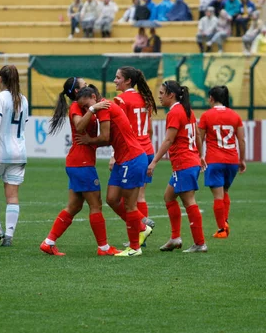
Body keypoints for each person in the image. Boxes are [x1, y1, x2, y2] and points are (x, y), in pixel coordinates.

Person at [40, 78, 121, 256]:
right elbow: (79, 126)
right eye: (83, 85)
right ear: (77, 92)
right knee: (96, 204)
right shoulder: (78, 106)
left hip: (78, 162)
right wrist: (92, 109)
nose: (88, 86)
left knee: (74, 206)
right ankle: (104, 248)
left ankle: (49, 242)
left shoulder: (84, 103)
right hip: (81, 162)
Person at [74, 88, 154, 257]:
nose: (87, 109)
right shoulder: (102, 108)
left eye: (87, 105)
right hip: (122, 159)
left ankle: (134, 248)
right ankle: (142, 227)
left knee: (129, 205)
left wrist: (89, 141)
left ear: (94, 97)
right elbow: (110, 137)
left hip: (132, 158)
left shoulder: (104, 107)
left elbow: (104, 137)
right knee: (112, 198)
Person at [147, 80, 206, 253]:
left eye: (162, 92)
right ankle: (175, 238)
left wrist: (154, 161)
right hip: (190, 161)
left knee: (189, 201)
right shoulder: (187, 111)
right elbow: (198, 135)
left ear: (170, 95)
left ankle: (200, 243)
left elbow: (168, 140)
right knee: (169, 197)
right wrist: (200, 155)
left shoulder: (175, 112)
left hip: (184, 163)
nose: (159, 96)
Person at [0, 65, 29, 248]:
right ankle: (9, 236)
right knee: (12, 196)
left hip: (0, 152)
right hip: (19, 153)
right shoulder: (23, 99)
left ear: (1, 79)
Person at [197, 85, 245, 239]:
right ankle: (224, 222)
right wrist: (242, 160)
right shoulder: (235, 116)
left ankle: (222, 229)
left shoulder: (206, 116)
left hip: (215, 160)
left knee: (217, 196)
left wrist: (200, 156)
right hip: (232, 160)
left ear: (211, 98)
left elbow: (200, 138)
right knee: (224, 192)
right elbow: (241, 140)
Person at [111, 67, 157, 224]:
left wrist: (113, 155)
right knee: (140, 195)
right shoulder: (145, 98)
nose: (114, 80)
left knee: (126, 198)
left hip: (131, 153)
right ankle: (141, 233)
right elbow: (149, 130)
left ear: (128, 80)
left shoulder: (121, 100)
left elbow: (119, 130)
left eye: (118, 78)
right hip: (147, 150)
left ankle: (140, 230)